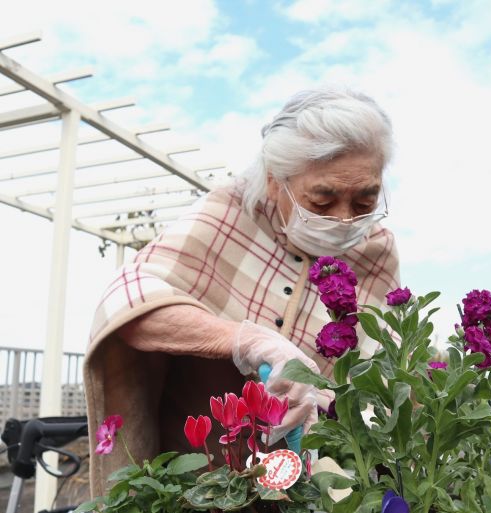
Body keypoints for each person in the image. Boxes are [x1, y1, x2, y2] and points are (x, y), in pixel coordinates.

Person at [83, 87, 400, 496]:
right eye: (322, 200)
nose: (344, 219)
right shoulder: (229, 214)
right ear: (274, 182)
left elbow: (384, 371)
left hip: (318, 487)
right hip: (203, 488)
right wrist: (245, 339)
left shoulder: (377, 250)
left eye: (364, 200)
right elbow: (128, 303)